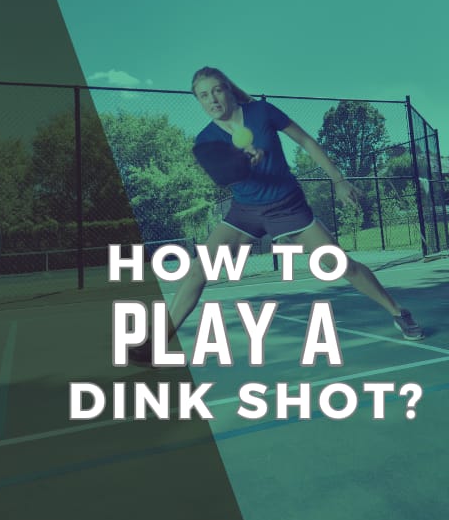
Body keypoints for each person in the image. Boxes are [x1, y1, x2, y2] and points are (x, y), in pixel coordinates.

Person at [129, 67, 424, 367]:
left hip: (288, 207)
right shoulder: (205, 141)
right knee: (198, 271)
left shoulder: (262, 112)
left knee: (339, 265)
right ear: (199, 101)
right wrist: (242, 161)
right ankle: (158, 342)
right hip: (245, 213)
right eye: (204, 95)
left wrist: (338, 180)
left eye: (217, 90)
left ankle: (398, 311)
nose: (212, 99)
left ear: (228, 90)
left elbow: (307, 141)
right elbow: (224, 176)